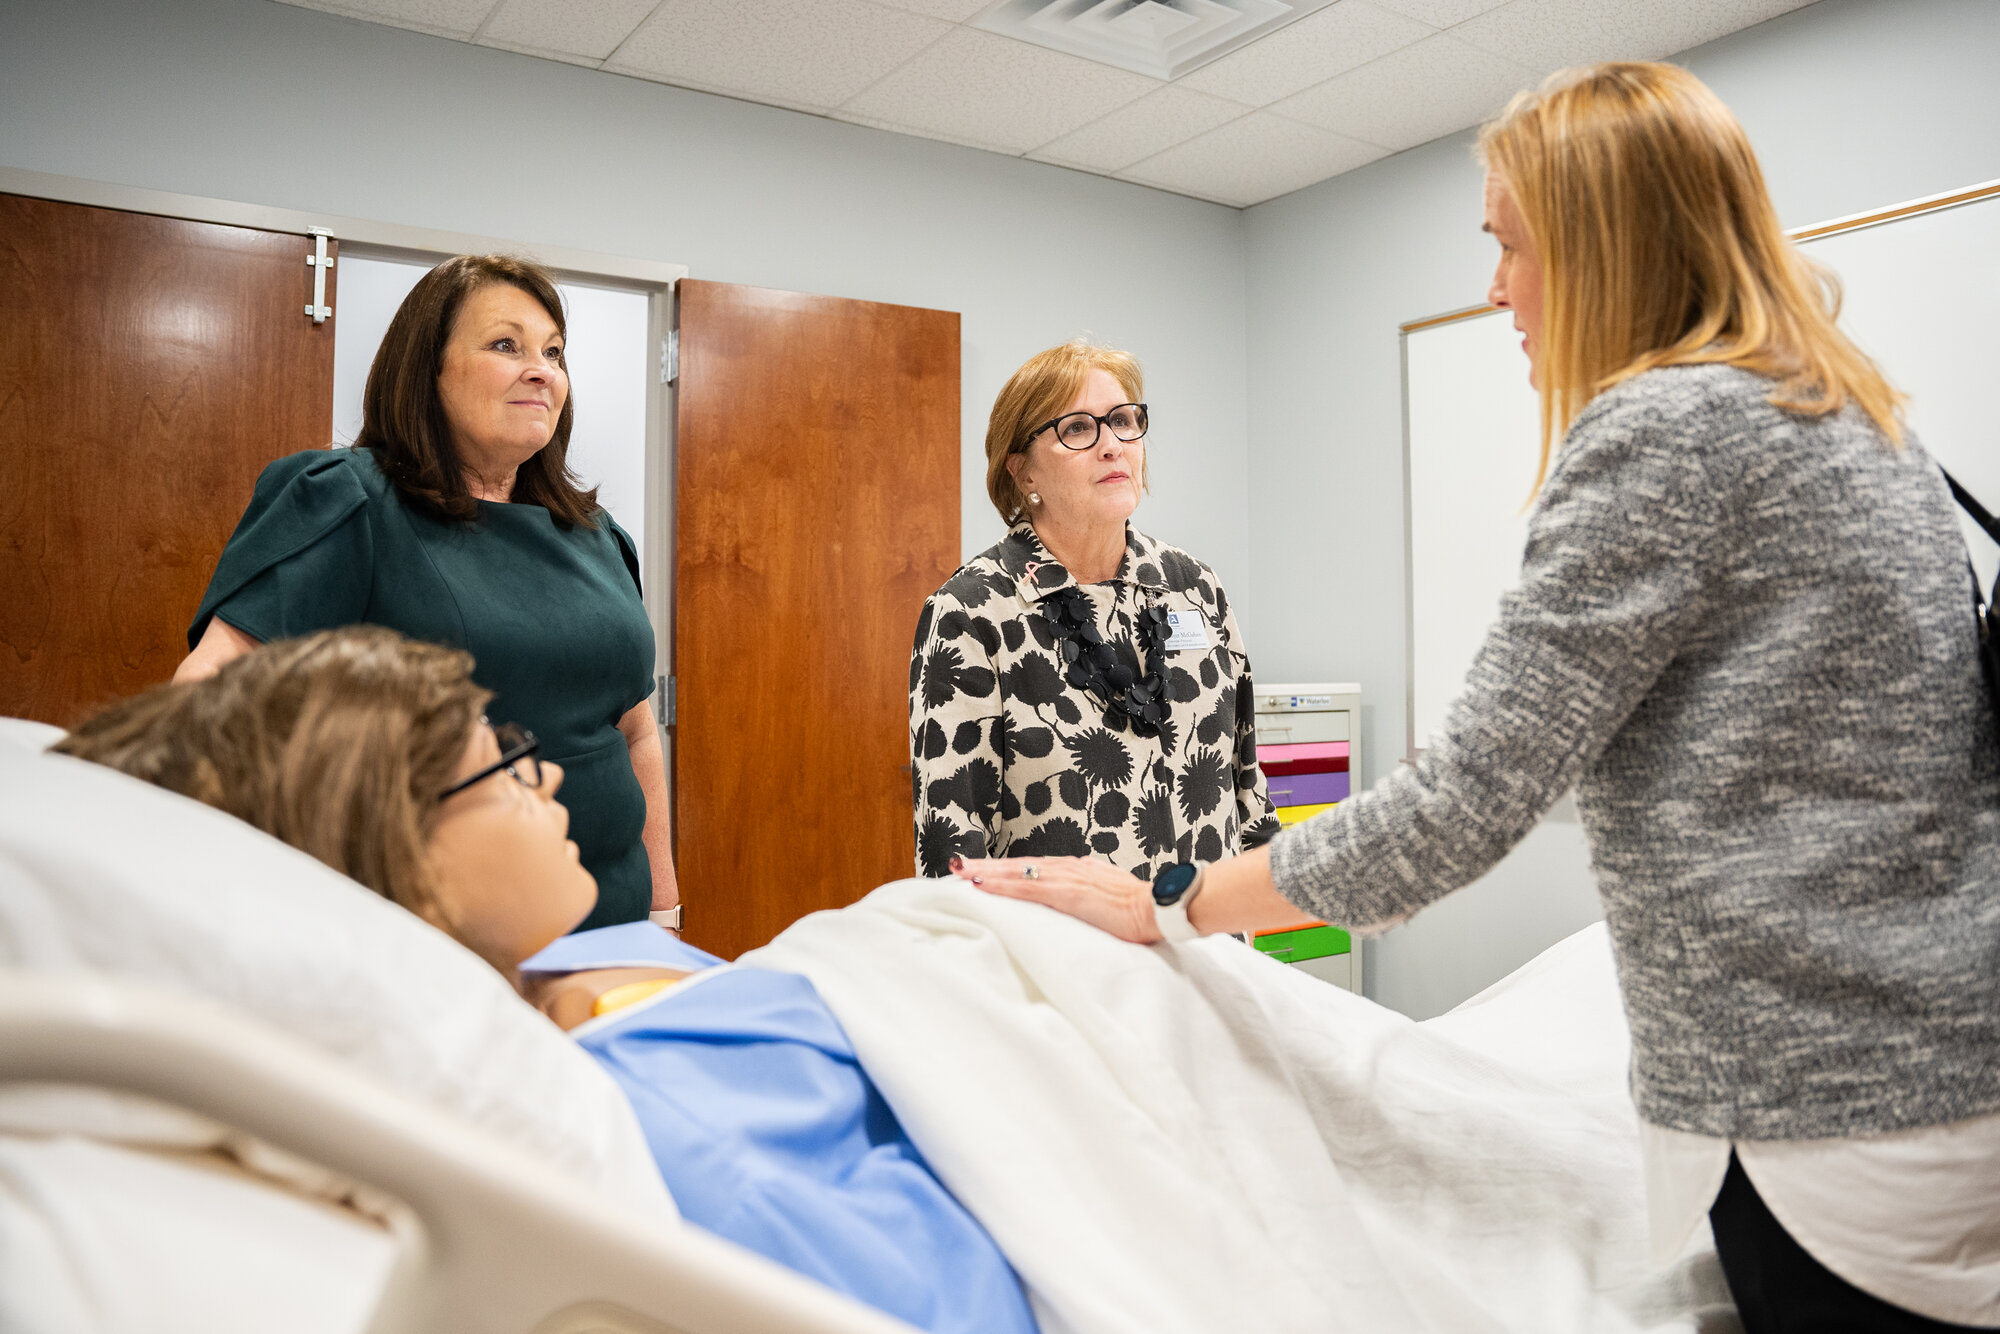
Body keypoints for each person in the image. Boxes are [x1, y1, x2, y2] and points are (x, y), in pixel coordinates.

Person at [954, 64, 2000, 1333]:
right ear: (1020, 466)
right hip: (1937, 1059)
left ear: (1595, 241)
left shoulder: (1662, 431)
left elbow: (1457, 805)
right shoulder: (1856, 415)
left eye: (1506, 245)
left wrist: (1178, 903)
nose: (1492, 285)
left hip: (1824, 1108)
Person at [57, 627, 1035, 1334]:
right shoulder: (651, 1119)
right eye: (505, 765)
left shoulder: (565, 966)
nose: (553, 778)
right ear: (397, 853)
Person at [174, 255, 675, 933]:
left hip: (613, 930)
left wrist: (664, 911)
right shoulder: (348, 502)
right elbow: (208, 699)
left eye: (554, 352)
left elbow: (637, 731)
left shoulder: (598, 538)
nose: (542, 369)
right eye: (506, 345)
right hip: (430, 936)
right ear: (428, 368)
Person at [909, 340, 1280, 882]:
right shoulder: (971, 614)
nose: (1112, 445)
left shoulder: (1194, 586)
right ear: (1022, 471)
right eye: (1078, 429)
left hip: (1205, 948)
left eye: (1125, 420)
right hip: (1060, 962)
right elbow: (953, 866)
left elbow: (1248, 791)